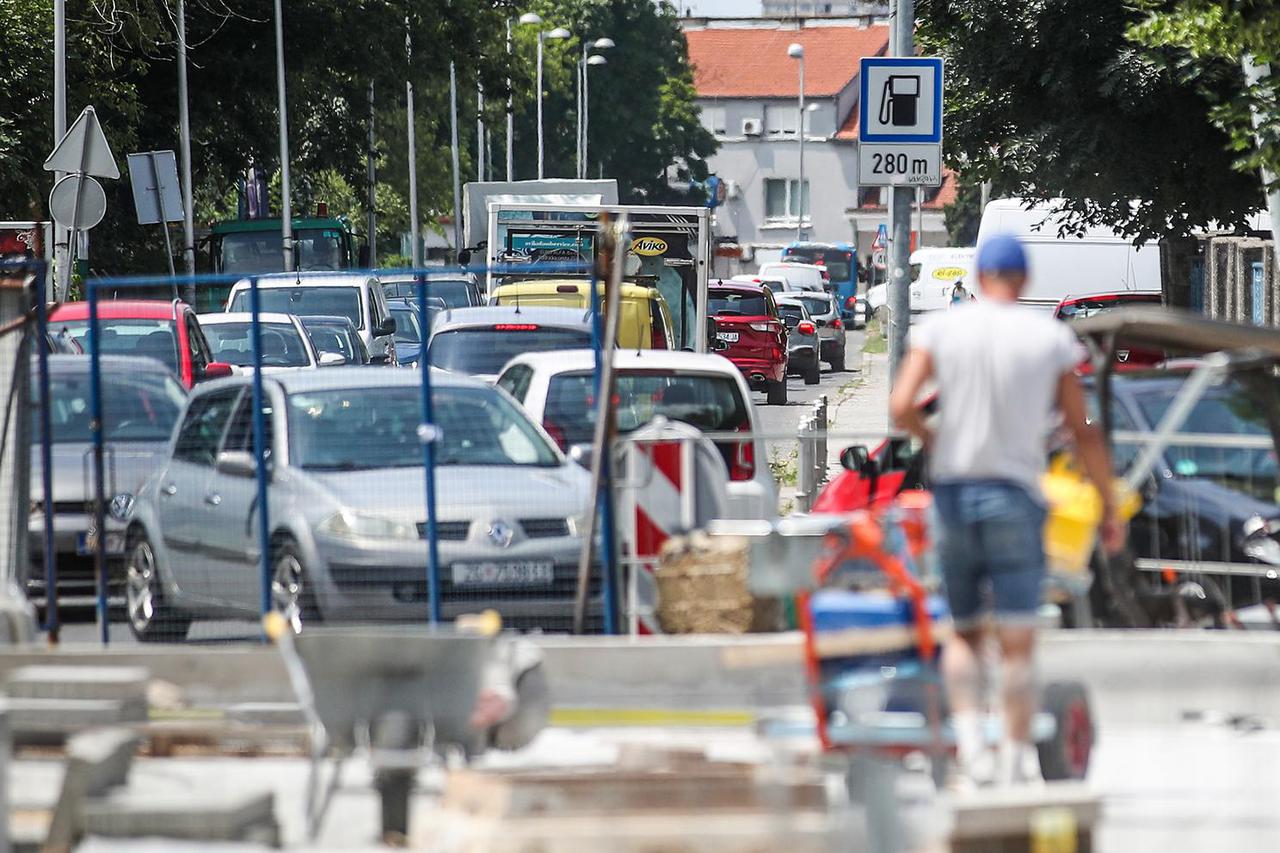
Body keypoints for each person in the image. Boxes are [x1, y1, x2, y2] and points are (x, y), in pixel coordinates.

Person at [888, 233, 1124, 786]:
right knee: (1018, 642)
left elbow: (901, 406)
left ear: (977, 278)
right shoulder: (1049, 338)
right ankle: (1017, 758)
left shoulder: (941, 330)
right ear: (1025, 280)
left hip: (954, 495)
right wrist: (1108, 505)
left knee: (965, 634)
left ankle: (972, 748)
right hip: (1017, 495)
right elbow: (1082, 430)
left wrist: (932, 440)